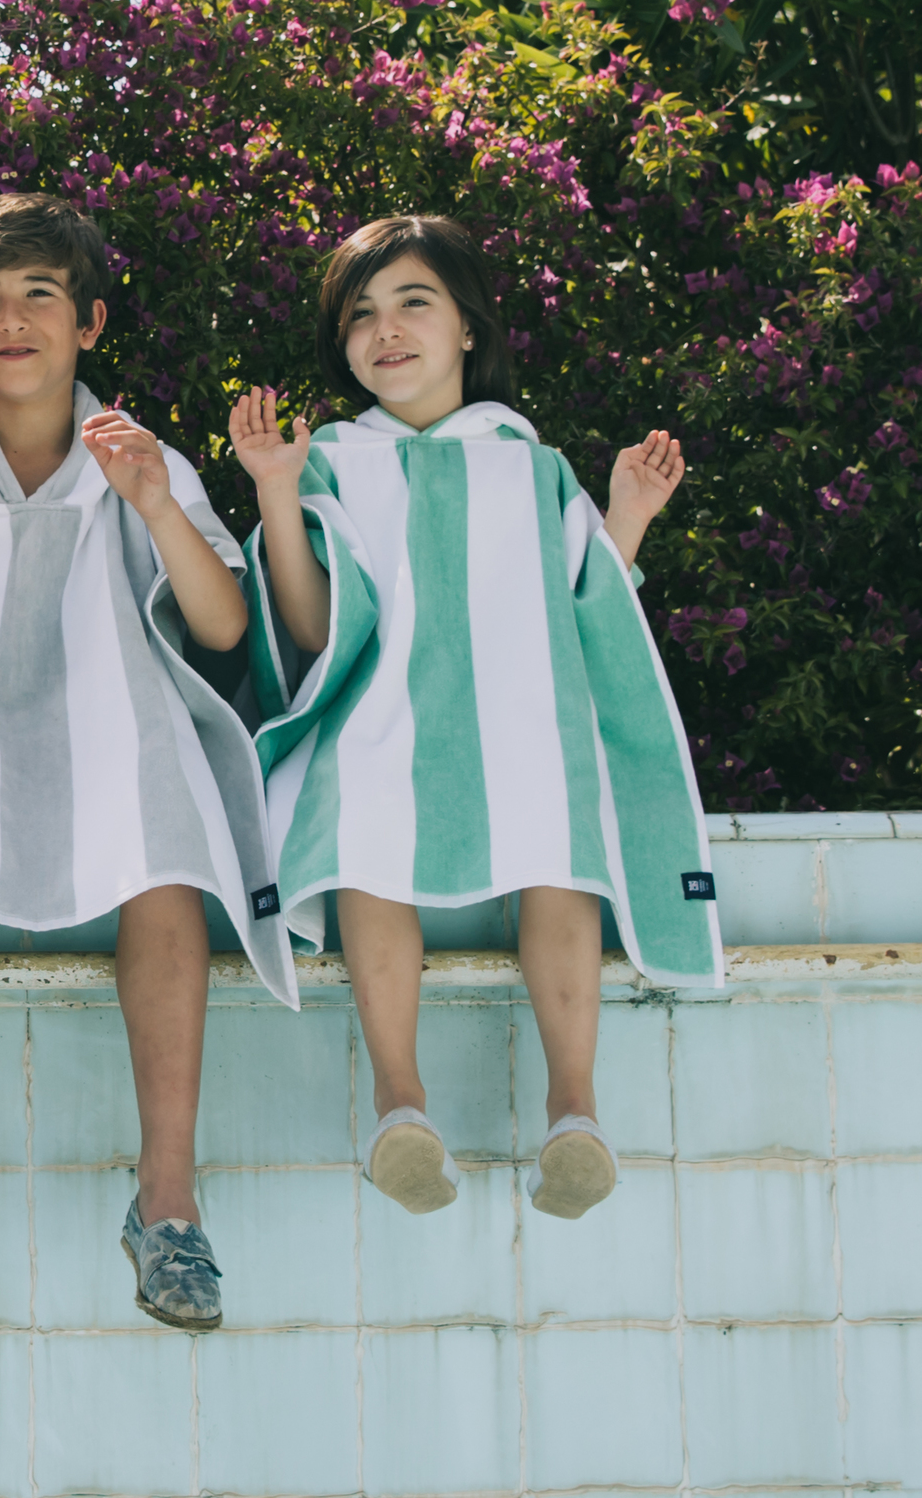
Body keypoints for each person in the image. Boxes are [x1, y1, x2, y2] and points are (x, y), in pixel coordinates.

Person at [0, 193, 283, 1331]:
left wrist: (159, 506)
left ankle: (167, 1204)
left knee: (162, 832)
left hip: (117, 711)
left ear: (88, 321)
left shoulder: (139, 455)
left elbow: (223, 628)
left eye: (40, 295)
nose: (13, 317)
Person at [229, 213, 714, 1222]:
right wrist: (277, 492)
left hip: (521, 718)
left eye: (413, 301)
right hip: (378, 716)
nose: (386, 328)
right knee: (361, 828)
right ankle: (399, 1101)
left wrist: (625, 514)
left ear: (465, 329)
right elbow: (310, 626)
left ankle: (574, 1109)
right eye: (361, 313)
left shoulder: (526, 462)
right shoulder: (331, 461)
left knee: (558, 843)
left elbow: (587, 604)